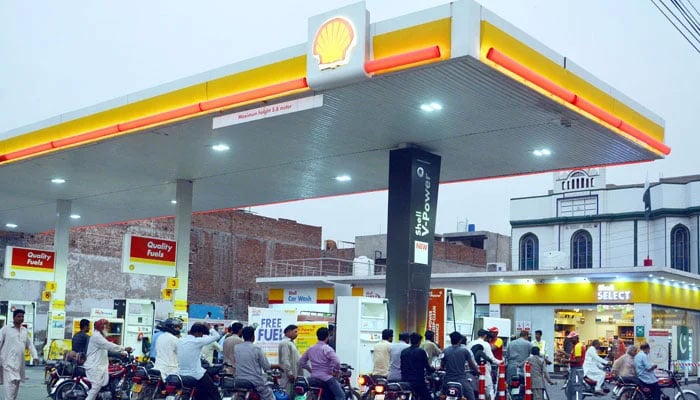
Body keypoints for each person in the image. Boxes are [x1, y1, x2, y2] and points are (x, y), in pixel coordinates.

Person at [83, 318, 131, 400]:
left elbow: (106, 350)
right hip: (94, 365)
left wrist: (118, 355)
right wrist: (124, 348)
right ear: (101, 327)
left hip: (99, 364)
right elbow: (109, 346)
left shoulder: (99, 336)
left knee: (102, 384)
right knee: (96, 386)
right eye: (106, 327)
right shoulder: (97, 337)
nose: (108, 328)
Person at [0, 309, 39, 400]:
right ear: (13, 318)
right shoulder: (6, 329)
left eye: (22, 317)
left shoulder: (24, 330)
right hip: (7, 363)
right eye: (19, 316)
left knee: (15, 388)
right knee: (10, 388)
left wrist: (35, 356)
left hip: (19, 365)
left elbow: (30, 345)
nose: (21, 318)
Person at [177, 322, 221, 400]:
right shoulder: (197, 341)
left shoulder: (180, 340)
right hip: (196, 374)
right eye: (201, 334)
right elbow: (217, 336)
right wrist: (210, 328)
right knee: (213, 391)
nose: (202, 336)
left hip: (181, 374)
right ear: (197, 333)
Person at [298, 327, 343, 400]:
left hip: (314, 377)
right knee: (340, 396)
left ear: (317, 336)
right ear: (327, 337)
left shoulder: (311, 348)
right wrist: (336, 371)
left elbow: (302, 362)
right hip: (326, 378)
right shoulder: (327, 348)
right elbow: (337, 361)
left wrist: (310, 370)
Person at [235, 326, 278, 400]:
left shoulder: (236, 348)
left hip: (239, 380)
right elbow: (266, 366)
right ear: (253, 337)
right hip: (254, 381)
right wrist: (278, 366)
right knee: (269, 395)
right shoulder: (257, 349)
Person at [442, 331, 479, 400]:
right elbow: (472, 365)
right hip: (461, 380)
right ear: (460, 340)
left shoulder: (445, 351)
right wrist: (477, 371)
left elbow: (442, 366)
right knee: (471, 396)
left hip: (447, 380)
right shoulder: (464, 351)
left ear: (451, 340)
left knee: (441, 395)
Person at [400, 332, 435, 400]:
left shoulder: (404, 351)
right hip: (418, 382)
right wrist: (433, 369)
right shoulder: (421, 352)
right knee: (428, 397)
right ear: (419, 341)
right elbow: (427, 367)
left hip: (405, 380)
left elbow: (402, 366)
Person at [469, 329, 501, 400]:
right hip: (484, 369)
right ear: (485, 336)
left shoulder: (470, 343)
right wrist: (500, 362)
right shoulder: (486, 344)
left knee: (475, 387)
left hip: (472, 369)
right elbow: (491, 357)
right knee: (488, 388)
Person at [278, 324, 301, 393]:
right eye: (295, 332)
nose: (297, 334)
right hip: (288, 377)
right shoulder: (285, 343)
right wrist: (290, 373)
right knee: (287, 394)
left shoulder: (291, 343)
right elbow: (285, 359)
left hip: (294, 375)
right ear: (288, 332)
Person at [562, 331, 585, 400]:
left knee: (576, 388)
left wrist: (567, 361)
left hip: (576, 370)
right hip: (575, 369)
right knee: (572, 388)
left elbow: (577, 360)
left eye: (572, 338)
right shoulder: (577, 346)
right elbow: (573, 357)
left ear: (576, 338)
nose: (570, 340)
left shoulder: (578, 346)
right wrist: (564, 354)